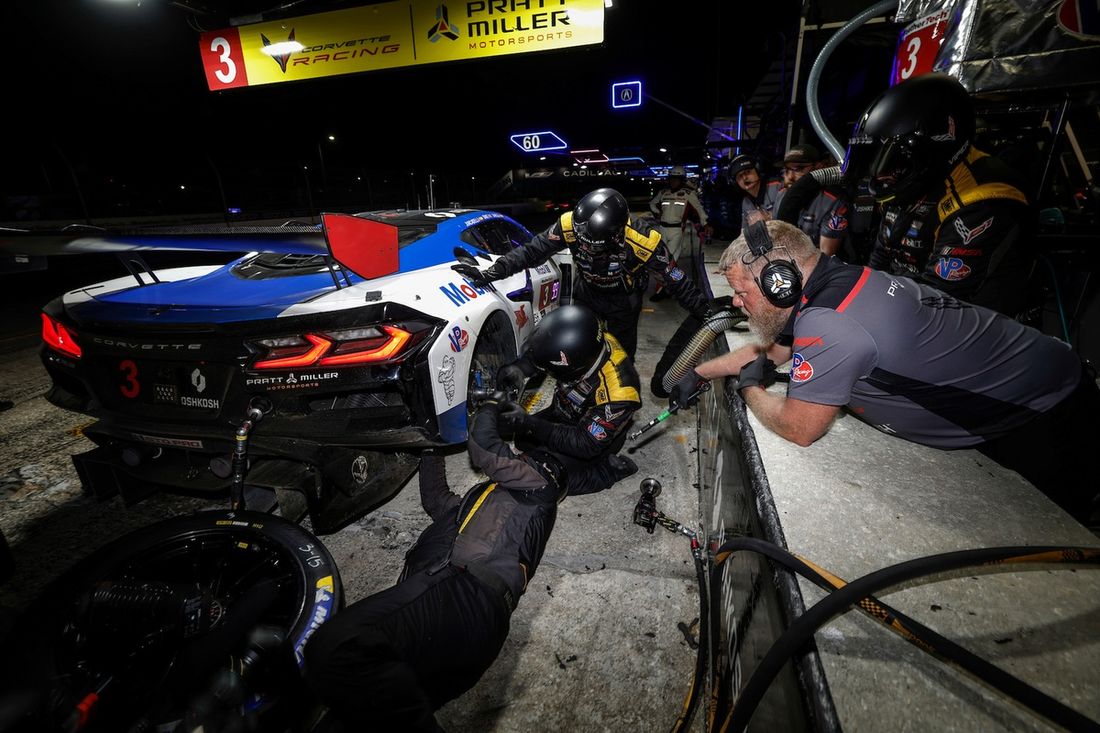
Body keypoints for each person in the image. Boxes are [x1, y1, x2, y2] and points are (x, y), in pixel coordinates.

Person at [671, 219, 1100, 525]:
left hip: (1044, 410)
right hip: (1030, 383)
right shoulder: (837, 281)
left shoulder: (829, 321)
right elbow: (773, 352)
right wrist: (704, 372)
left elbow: (800, 428)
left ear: (778, 281)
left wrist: (749, 391)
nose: (737, 303)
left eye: (741, 292)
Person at [303, 400, 566, 732]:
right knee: (358, 712)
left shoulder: (541, 488)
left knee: (337, 646)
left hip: (462, 594)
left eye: (523, 457)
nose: (517, 457)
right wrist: (431, 445)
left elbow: (486, 450)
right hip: (465, 622)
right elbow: (435, 497)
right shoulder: (485, 508)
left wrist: (489, 406)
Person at [452, 187, 711, 360]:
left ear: (617, 235)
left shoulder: (644, 241)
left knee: (621, 358)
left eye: (592, 245)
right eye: (581, 241)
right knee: (577, 348)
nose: (584, 247)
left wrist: (705, 311)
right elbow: (531, 251)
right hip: (587, 293)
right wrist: (494, 271)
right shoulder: (568, 225)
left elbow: (677, 280)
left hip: (624, 300)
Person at [851, 72, 1033, 316]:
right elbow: (882, 255)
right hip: (910, 300)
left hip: (972, 320)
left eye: (895, 166)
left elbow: (937, 302)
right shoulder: (907, 183)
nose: (882, 177)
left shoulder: (982, 199)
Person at [495, 304, 641, 496]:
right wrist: (519, 369)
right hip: (565, 410)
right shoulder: (585, 341)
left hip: (590, 437)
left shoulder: (620, 393)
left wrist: (531, 423)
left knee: (546, 479)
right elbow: (548, 353)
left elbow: (585, 444)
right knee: (522, 440)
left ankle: (609, 471)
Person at [648, 166, 712, 289]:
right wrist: (657, 212)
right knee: (660, 259)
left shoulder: (688, 194)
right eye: (671, 178)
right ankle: (676, 283)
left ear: (682, 180)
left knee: (669, 261)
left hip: (676, 231)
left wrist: (706, 224)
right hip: (662, 230)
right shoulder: (663, 193)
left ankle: (663, 289)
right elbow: (652, 204)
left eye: (676, 179)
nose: (673, 181)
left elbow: (699, 210)